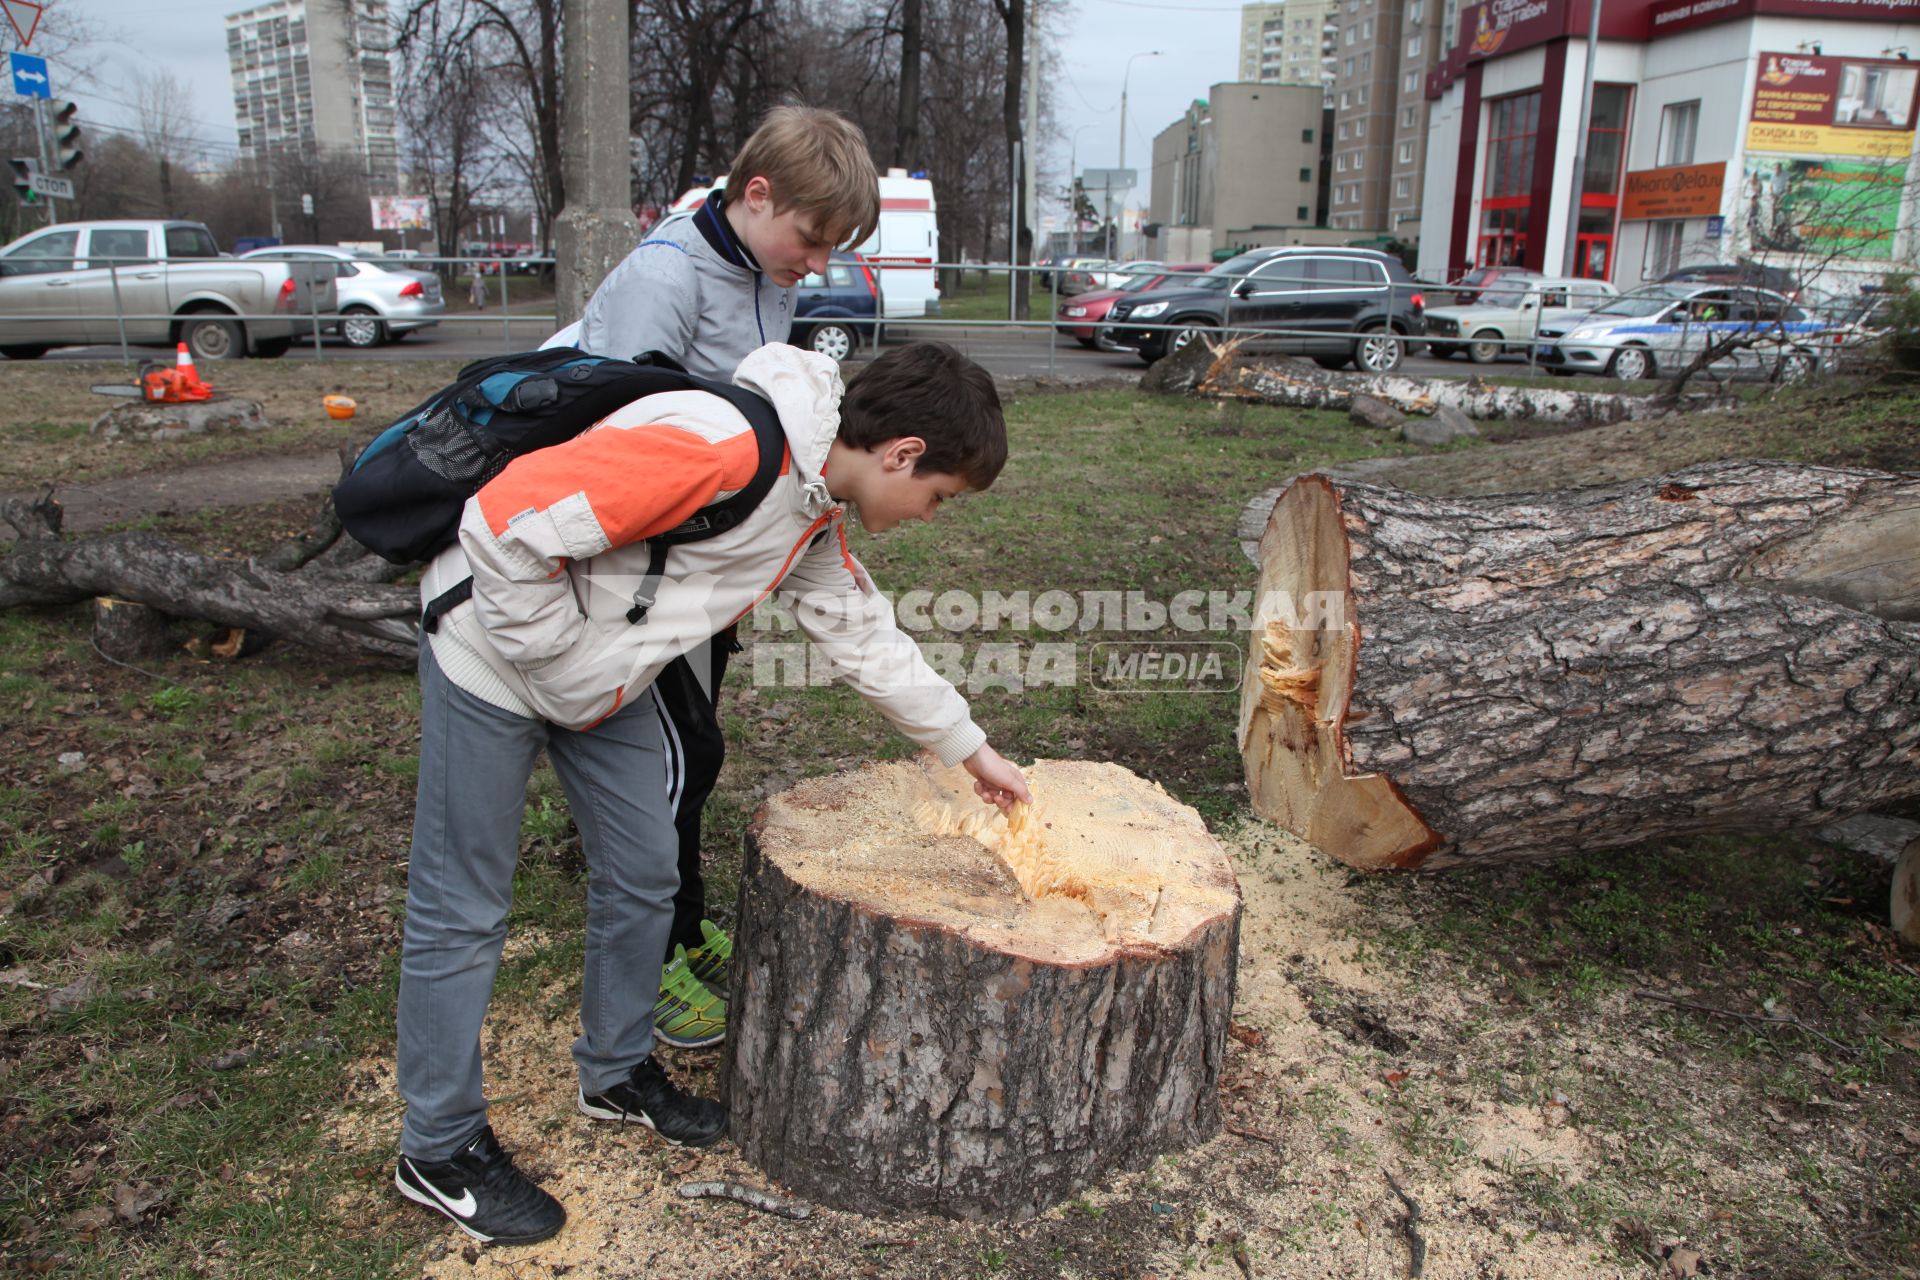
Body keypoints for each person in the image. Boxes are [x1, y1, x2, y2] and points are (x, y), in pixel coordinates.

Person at [391, 339, 1030, 1246]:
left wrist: (971, 751)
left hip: (595, 677)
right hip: (493, 654)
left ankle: (614, 1073)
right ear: (902, 453)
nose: (931, 515)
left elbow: (860, 633)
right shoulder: (721, 447)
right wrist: (556, 666)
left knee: (648, 869)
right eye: (939, 497)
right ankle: (439, 1147)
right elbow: (504, 522)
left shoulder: (811, 508)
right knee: (464, 905)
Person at [571, 106, 882, 1053]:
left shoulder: (760, 266)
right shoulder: (665, 276)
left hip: (707, 568)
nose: (818, 264)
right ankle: (652, 958)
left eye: (835, 248)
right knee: (669, 758)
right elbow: (609, 439)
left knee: (694, 755)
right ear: (757, 195)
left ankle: (683, 918)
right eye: (813, 239)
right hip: (639, 580)